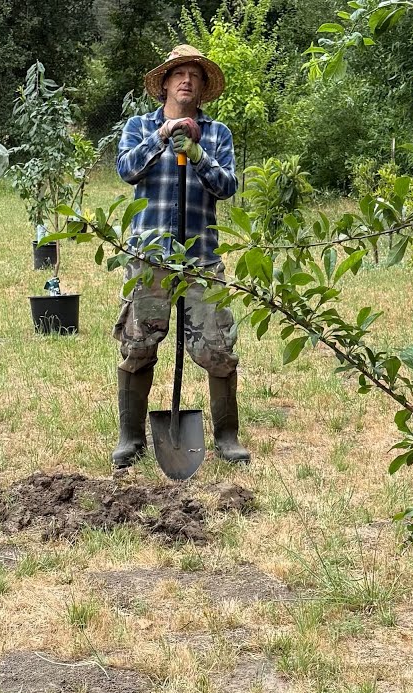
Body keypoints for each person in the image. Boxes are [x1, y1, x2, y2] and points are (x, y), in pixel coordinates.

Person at [111, 44, 249, 469]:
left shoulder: (218, 133)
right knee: (138, 345)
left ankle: (227, 437)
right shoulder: (139, 126)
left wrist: (199, 153)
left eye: (196, 75)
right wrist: (163, 136)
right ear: (165, 84)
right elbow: (126, 170)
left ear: (203, 88)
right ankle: (130, 438)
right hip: (149, 258)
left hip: (201, 259)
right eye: (179, 73)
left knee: (218, 348)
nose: (187, 80)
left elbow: (227, 186)